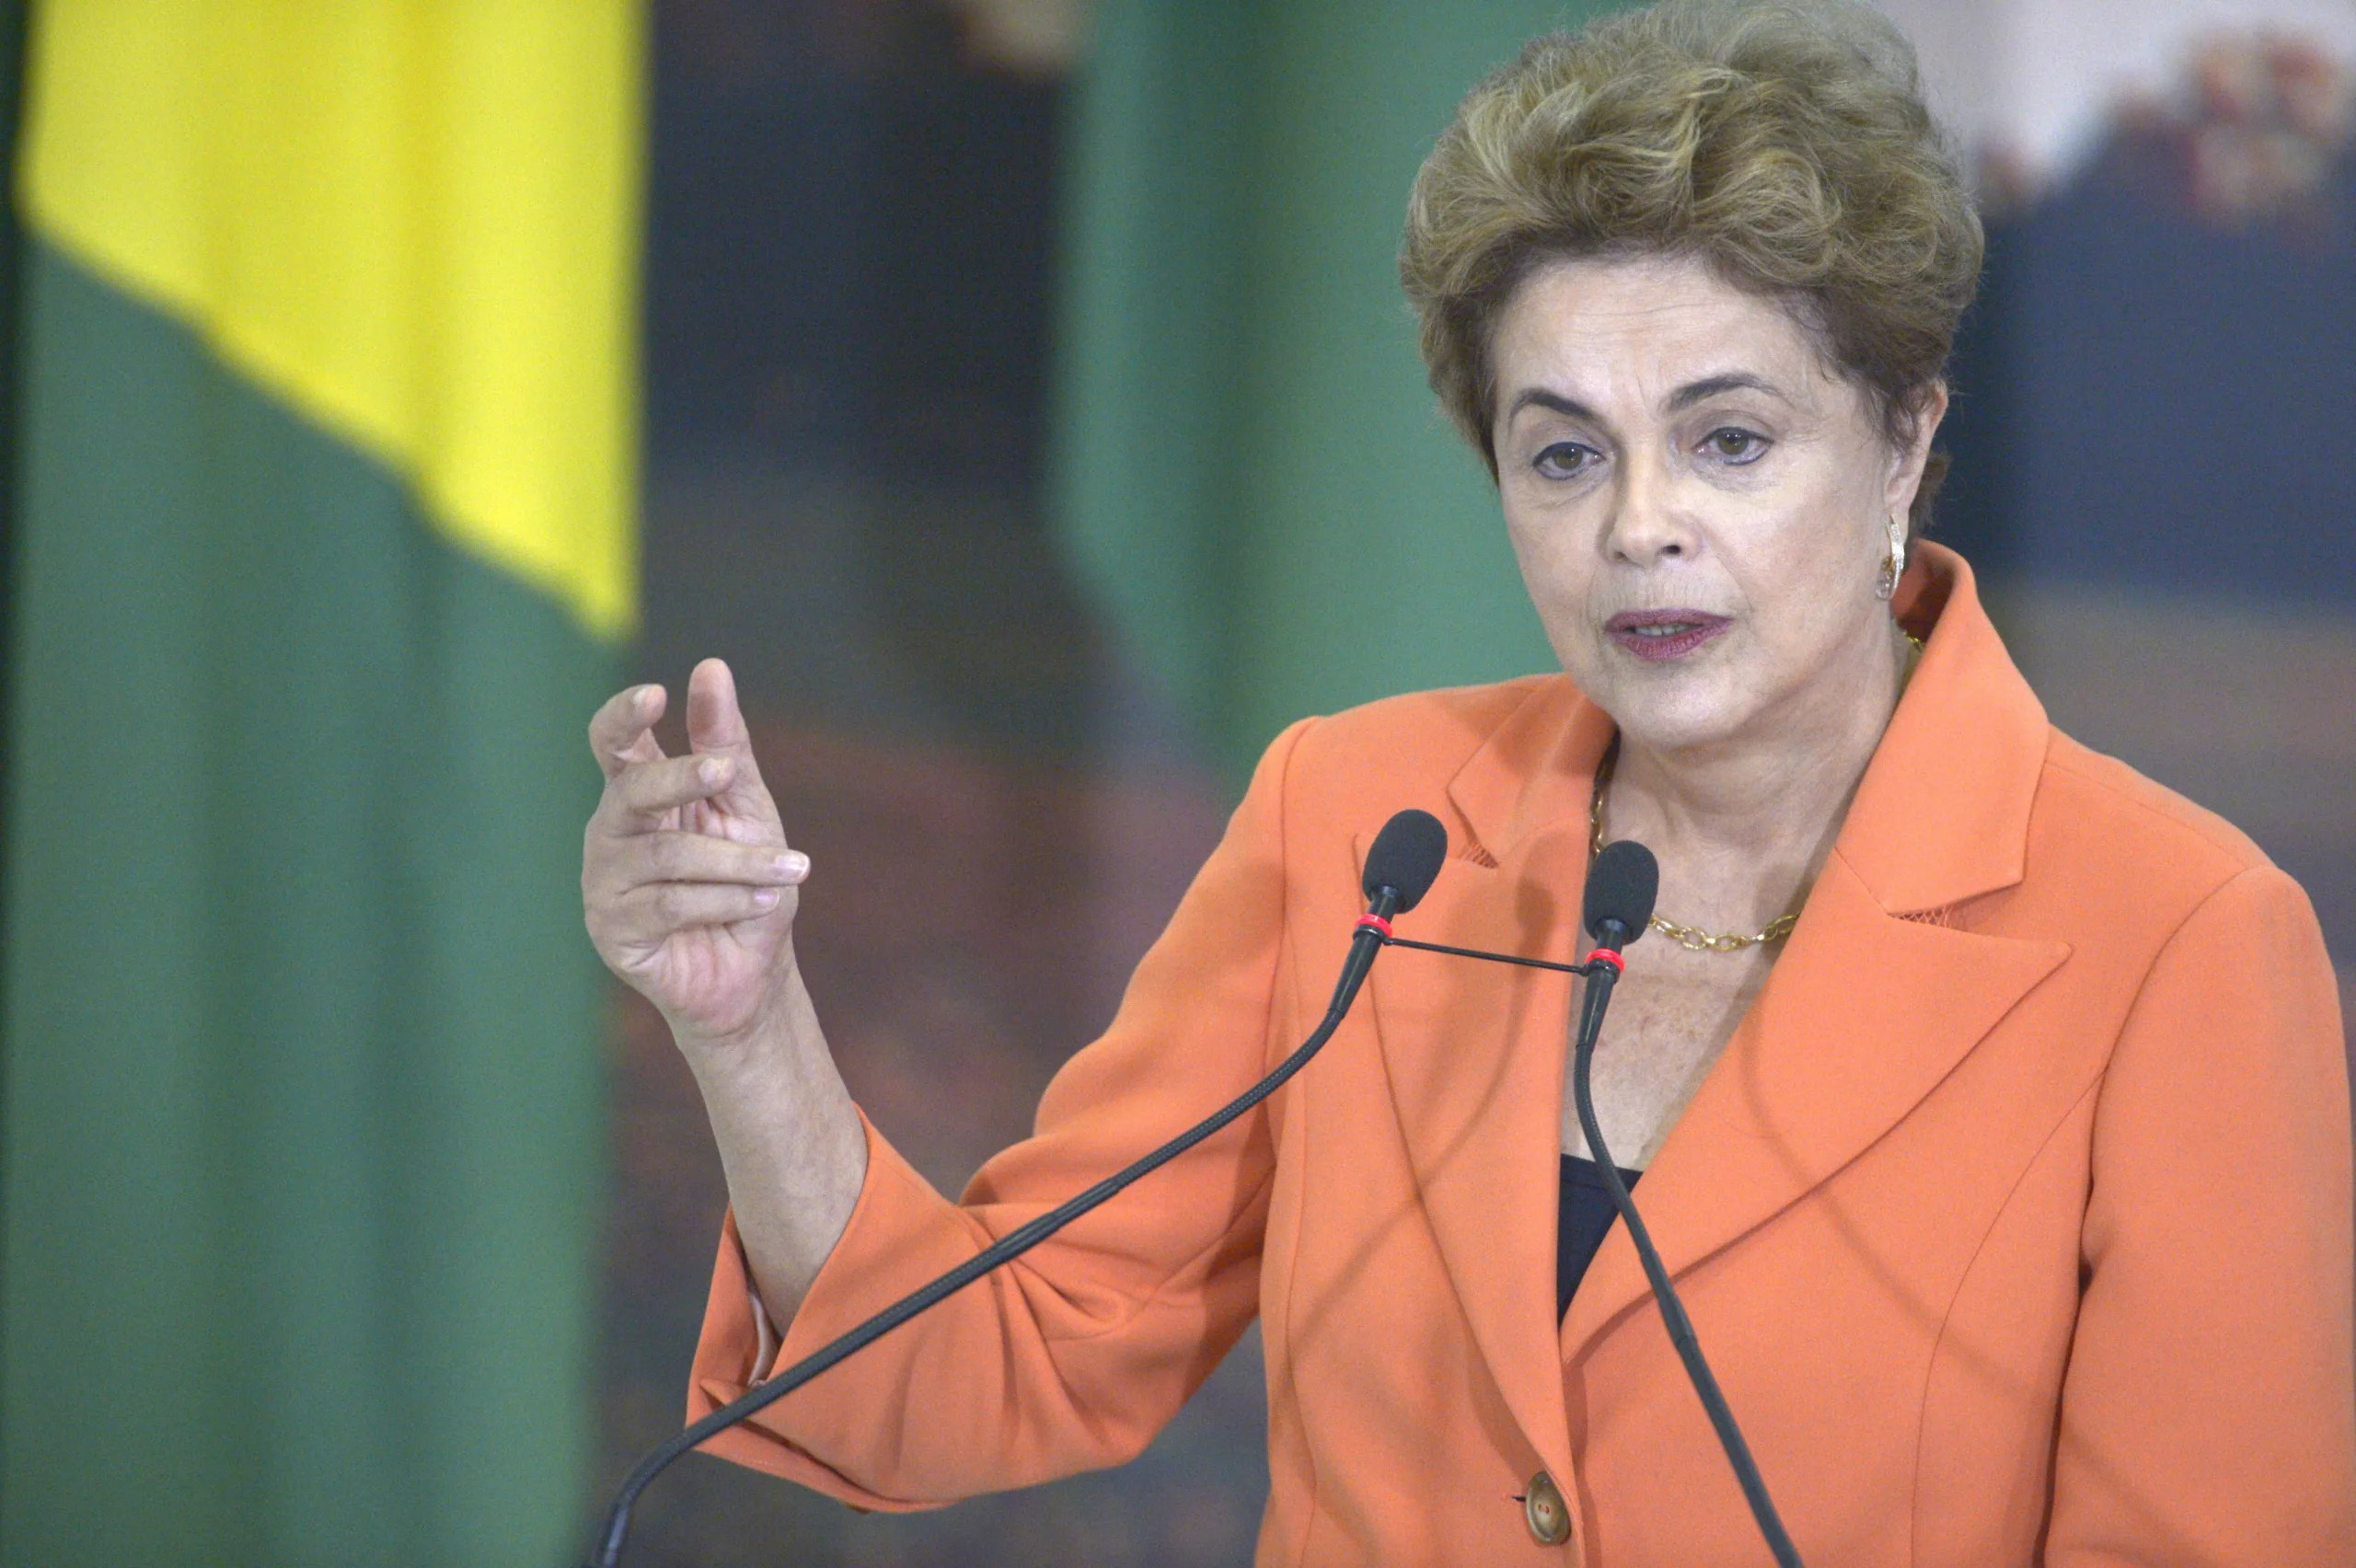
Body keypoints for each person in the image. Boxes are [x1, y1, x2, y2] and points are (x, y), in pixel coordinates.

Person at [579, 2, 2354, 1561]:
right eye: (1563, 452)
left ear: (1903, 442)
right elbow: (989, 1365)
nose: (1637, 525)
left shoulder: (2177, 941)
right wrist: (746, 1030)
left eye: (1729, 440)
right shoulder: (1365, 825)